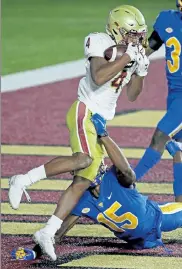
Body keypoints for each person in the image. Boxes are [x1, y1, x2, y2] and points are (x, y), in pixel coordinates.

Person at [8, 5, 149, 261]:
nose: (136, 39)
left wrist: (141, 70)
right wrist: (126, 58)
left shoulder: (128, 52)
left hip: (99, 120)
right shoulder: (99, 41)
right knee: (83, 159)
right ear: (117, 29)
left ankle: (48, 231)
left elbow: (132, 95)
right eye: (132, 34)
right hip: (85, 110)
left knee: (84, 180)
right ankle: (22, 179)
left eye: (139, 34)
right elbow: (97, 77)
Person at [11, 113, 182, 261]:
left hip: (158, 219)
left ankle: (177, 156)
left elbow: (129, 173)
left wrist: (104, 136)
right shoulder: (82, 200)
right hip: (136, 242)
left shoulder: (113, 177)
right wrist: (35, 252)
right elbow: (58, 232)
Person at [134, 1, 182, 203]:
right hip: (174, 94)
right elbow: (149, 47)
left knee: (160, 137)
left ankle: (126, 182)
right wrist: (127, 58)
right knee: (179, 150)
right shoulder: (167, 19)